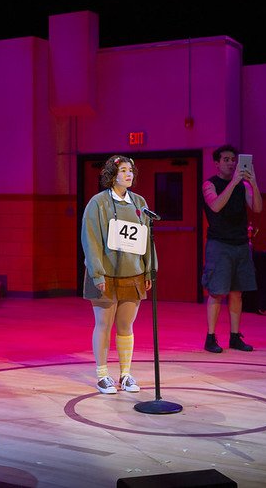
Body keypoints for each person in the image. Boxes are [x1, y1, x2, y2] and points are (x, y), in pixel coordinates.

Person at [81, 155, 153, 394]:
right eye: (123, 170)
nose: (128, 174)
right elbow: (90, 240)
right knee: (104, 324)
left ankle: (125, 374)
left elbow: (145, 238)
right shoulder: (98, 203)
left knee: (126, 325)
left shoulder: (139, 201)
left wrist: (148, 268)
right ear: (112, 175)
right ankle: (102, 375)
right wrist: (97, 274)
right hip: (106, 274)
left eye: (130, 170)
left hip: (132, 273)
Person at [201, 145, 263, 353]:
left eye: (233, 159)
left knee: (237, 293)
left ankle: (235, 336)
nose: (231, 163)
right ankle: (210, 337)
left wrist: (252, 183)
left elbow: (257, 208)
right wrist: (235, 181)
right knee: (217, 292)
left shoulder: (243, 186)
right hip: (219, 244)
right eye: (226, 159)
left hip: (241, 244)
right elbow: (216, 206)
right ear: (217, 163)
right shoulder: (210, 184)